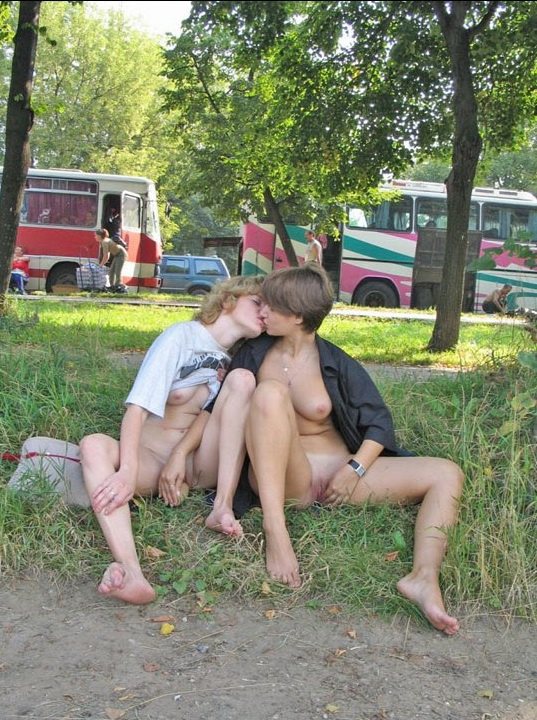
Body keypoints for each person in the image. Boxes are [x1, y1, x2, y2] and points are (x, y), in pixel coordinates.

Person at [221, 264, 464, 635]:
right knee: (268, 393)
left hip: (341, 474)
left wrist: (356, 469)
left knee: (446, 473)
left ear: (298, 316)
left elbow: (378, 424)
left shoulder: (336, 361)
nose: (262, 311)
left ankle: (423, 578)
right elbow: (221, 411)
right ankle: (276, 529)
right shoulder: (251, 355)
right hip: (290, 479)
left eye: (270, 305)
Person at [79, 275, 265, 605]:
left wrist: (180, 454)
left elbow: (209, 416)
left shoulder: (237, 359)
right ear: (228, 300)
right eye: (257, 302)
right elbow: (137, 408)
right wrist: (127, 470)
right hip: (150, 457)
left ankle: (221, 507)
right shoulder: (182, 336)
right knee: (93, 444)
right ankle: (130, 570)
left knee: (243, 380)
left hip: (197, 462)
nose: (264, 312)